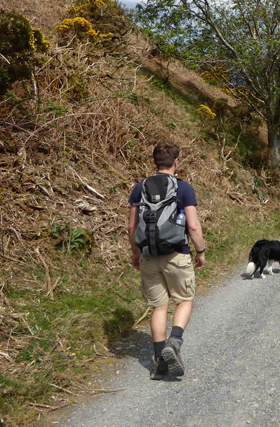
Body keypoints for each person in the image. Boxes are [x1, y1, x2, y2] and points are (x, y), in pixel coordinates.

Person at [127, 140, 206, 380]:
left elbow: (131, 226)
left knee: (159, 307)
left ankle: (160, 362)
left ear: (154, 162)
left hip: (150, 256)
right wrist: (200, 251)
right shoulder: (184, 188)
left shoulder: (139, 188)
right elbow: (192, 225)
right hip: (177, 254)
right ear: (176, 162)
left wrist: (136, 253)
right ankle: (175, 341)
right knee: (184, 300)